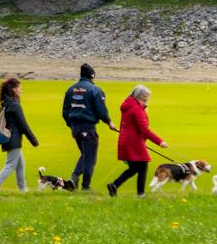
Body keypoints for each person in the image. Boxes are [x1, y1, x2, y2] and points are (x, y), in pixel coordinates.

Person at [60, 62, 114, 190]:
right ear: (92, 76)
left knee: (85, 154)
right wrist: (109, 122)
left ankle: (74, 181)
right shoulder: (95, 90)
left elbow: (65, 112)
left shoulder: (71, 89)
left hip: (75, 128)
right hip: (88, 128)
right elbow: (101, 110)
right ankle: (84, 185)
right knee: (90, 157)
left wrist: (71, 126)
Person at [107, 85, 167, 197]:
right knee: (143, 166)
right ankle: (140, 194)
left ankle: (114, 185)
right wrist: (160, 142)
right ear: (141, 96)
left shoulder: (129, 106)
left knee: (134, 168)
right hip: (134, 143)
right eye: (146, 96)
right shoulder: (136, 109)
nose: (148, 98)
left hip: (127, 141)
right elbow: (144, 130)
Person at [0, 76, 39, 192]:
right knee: (10, 165)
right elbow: (23, 125)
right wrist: (34, 140)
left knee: (20, 164)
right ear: (14, 89)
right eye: (19, 87)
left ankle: (23, 189)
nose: (21, 90)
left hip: (9, 138)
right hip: (13, 140)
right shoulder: (15, 105)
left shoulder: (6, 103)